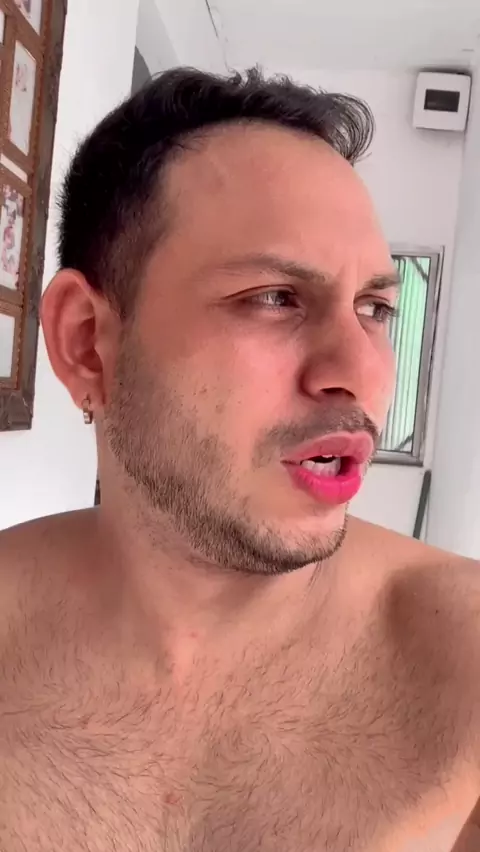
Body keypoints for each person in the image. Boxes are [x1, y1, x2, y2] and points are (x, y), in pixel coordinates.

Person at [0, 68, 478, 852]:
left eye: (375, 308)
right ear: (87, 342)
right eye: (275, 297)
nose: (359, 374)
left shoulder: (464, 667)